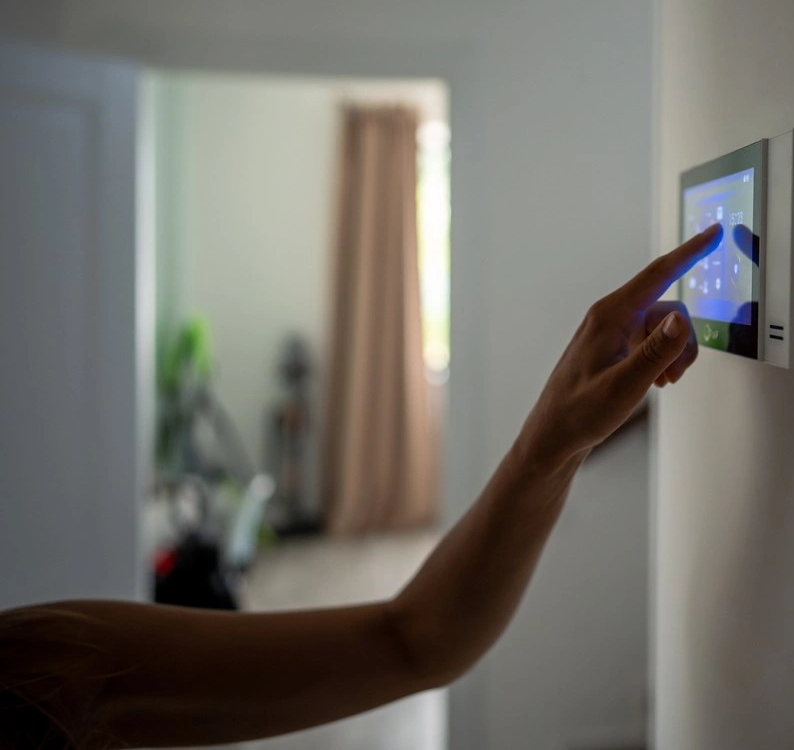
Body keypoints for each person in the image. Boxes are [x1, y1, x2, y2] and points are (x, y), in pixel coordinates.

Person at [0, 224, 725, 750]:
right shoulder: (51, 666)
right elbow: (414, 644)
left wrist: (557, 439)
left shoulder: (42, 666)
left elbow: (417, 640)